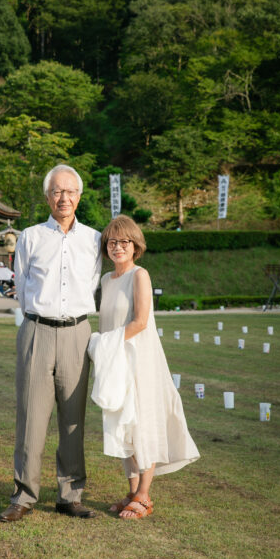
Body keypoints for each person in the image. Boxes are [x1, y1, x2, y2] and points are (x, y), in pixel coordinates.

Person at [0, 164, 101, 523]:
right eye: (57, 191)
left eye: (70, 191)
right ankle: (23, 496)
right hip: (37, 331)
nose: (63, 198)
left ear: (79, 197)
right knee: (31, 416)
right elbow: (23, 285)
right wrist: (39, 318)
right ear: (47, 197)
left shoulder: (94, 239)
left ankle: (70, 495)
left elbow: (92, 283)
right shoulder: (30, 237)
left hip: (77, 333)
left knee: (73, 419)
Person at [88, 215, 199, 519]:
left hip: (140, 360)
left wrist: (105, 343)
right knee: (121, 422)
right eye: (112, 242)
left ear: (135, 245)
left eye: (124, 242)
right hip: (115, 362)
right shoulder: (105, 280)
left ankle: (144, 496)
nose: (118, 247)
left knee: (142, 424)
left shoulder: (140, 275)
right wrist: (104, 351)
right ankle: (132, 490)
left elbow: (140, 322)